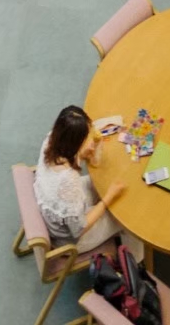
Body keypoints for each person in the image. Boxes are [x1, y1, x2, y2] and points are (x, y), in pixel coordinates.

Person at [33, 106, 132, 258]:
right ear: (75, 144)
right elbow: (79, 228)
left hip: (60, 207)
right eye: (87, 139)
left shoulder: (52, 139)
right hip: (72, 239)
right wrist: (107, 200)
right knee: (125, 215)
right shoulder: (68, 180)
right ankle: (135, 264)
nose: (91, 143)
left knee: (104, 183)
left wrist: (86, 150)